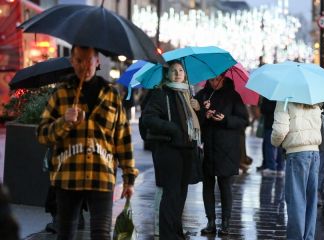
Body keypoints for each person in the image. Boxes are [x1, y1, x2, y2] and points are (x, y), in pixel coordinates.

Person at [37, 45, 138, 240]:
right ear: (72, 62)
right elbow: (42, 134)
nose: (85, 65)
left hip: (102, 175)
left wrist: (129, 178)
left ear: (97, 61)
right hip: (68, 176)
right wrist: (63, 122)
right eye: (80, 60)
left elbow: (123, 139)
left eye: (90, 60)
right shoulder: (61, 95)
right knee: (66, 233)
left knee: (101, 234)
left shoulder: (111, 94)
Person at [141, 60, 201, 239]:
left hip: (187, 149)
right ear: (167, 74)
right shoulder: (161, 94)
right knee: (171, 194)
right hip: (169, 150)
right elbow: (148, 118)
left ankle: (176, 232)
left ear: (185, 74)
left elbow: (193, 124)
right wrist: (171, 128)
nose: (177, 73)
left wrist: (198, 110)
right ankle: (167, 235)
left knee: (181, 194)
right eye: (173, 70)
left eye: (181, 70)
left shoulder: (188, 95)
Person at [195, 75, 249, 236]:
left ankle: (226, 222)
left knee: (225, 186)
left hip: (227, 149)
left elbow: (243, 121)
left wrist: (225, 119)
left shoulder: (233, 96)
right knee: (208, 185)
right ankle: (210, 222)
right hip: (208, 148)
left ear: (224, 78)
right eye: (211, 80)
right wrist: (204, 114)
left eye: (217, 80)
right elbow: (193, 119)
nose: (214, 83)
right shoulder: (203, 95)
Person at [271, 101, 321, 240]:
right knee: (311, 201)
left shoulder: (284, 100)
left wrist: (274, 142)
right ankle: (308, 237)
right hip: (314, 153)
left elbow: (280, 131)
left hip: (297, 153)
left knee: (296, 200)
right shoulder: (314, 101)